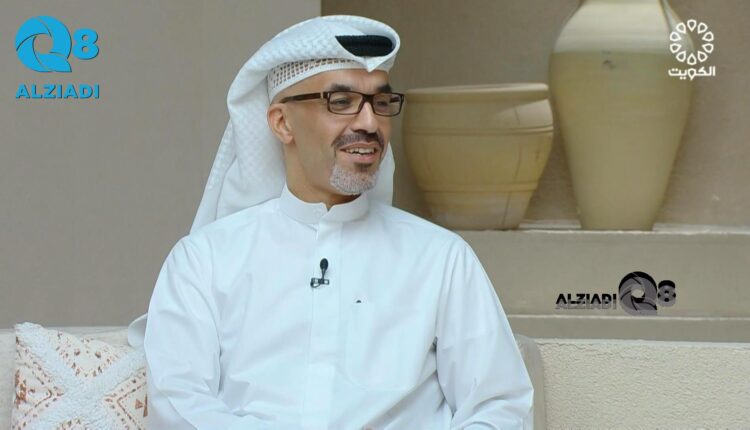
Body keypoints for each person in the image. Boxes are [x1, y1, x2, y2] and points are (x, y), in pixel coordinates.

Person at [127, 15, 534, 429]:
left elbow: (500, 406)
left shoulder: (441, 259)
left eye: (380, 103)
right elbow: (180, 404)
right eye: (340, 102)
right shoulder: (204, 260)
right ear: (282, 123)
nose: (369, 123)